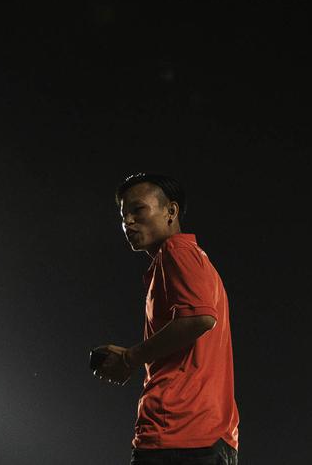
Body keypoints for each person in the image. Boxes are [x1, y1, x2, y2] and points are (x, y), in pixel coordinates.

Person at [94, 173, 240, 465]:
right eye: (124, 216)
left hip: (175, 432)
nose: (129, 223)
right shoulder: (191, 260)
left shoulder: (176, 251)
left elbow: (199, 319)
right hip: (208, 437)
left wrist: (131, 357)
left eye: (138, 210)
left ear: (171, 211)